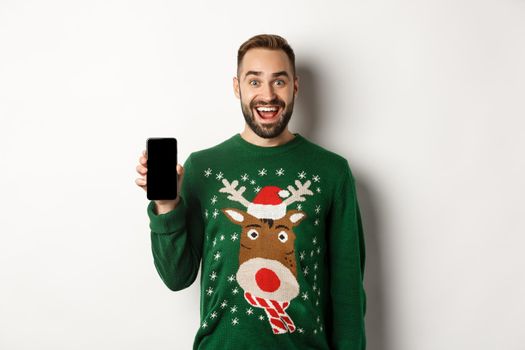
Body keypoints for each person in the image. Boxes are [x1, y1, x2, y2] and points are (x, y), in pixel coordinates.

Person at [135, 34, 366, 350]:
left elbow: (348, 292)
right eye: (254, 82)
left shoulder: (332, 172)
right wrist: (166, 204)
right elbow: (177, 277)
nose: (267, 95)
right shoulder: (202, 167)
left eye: (279, 82)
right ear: (237, 87)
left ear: (295, 86)